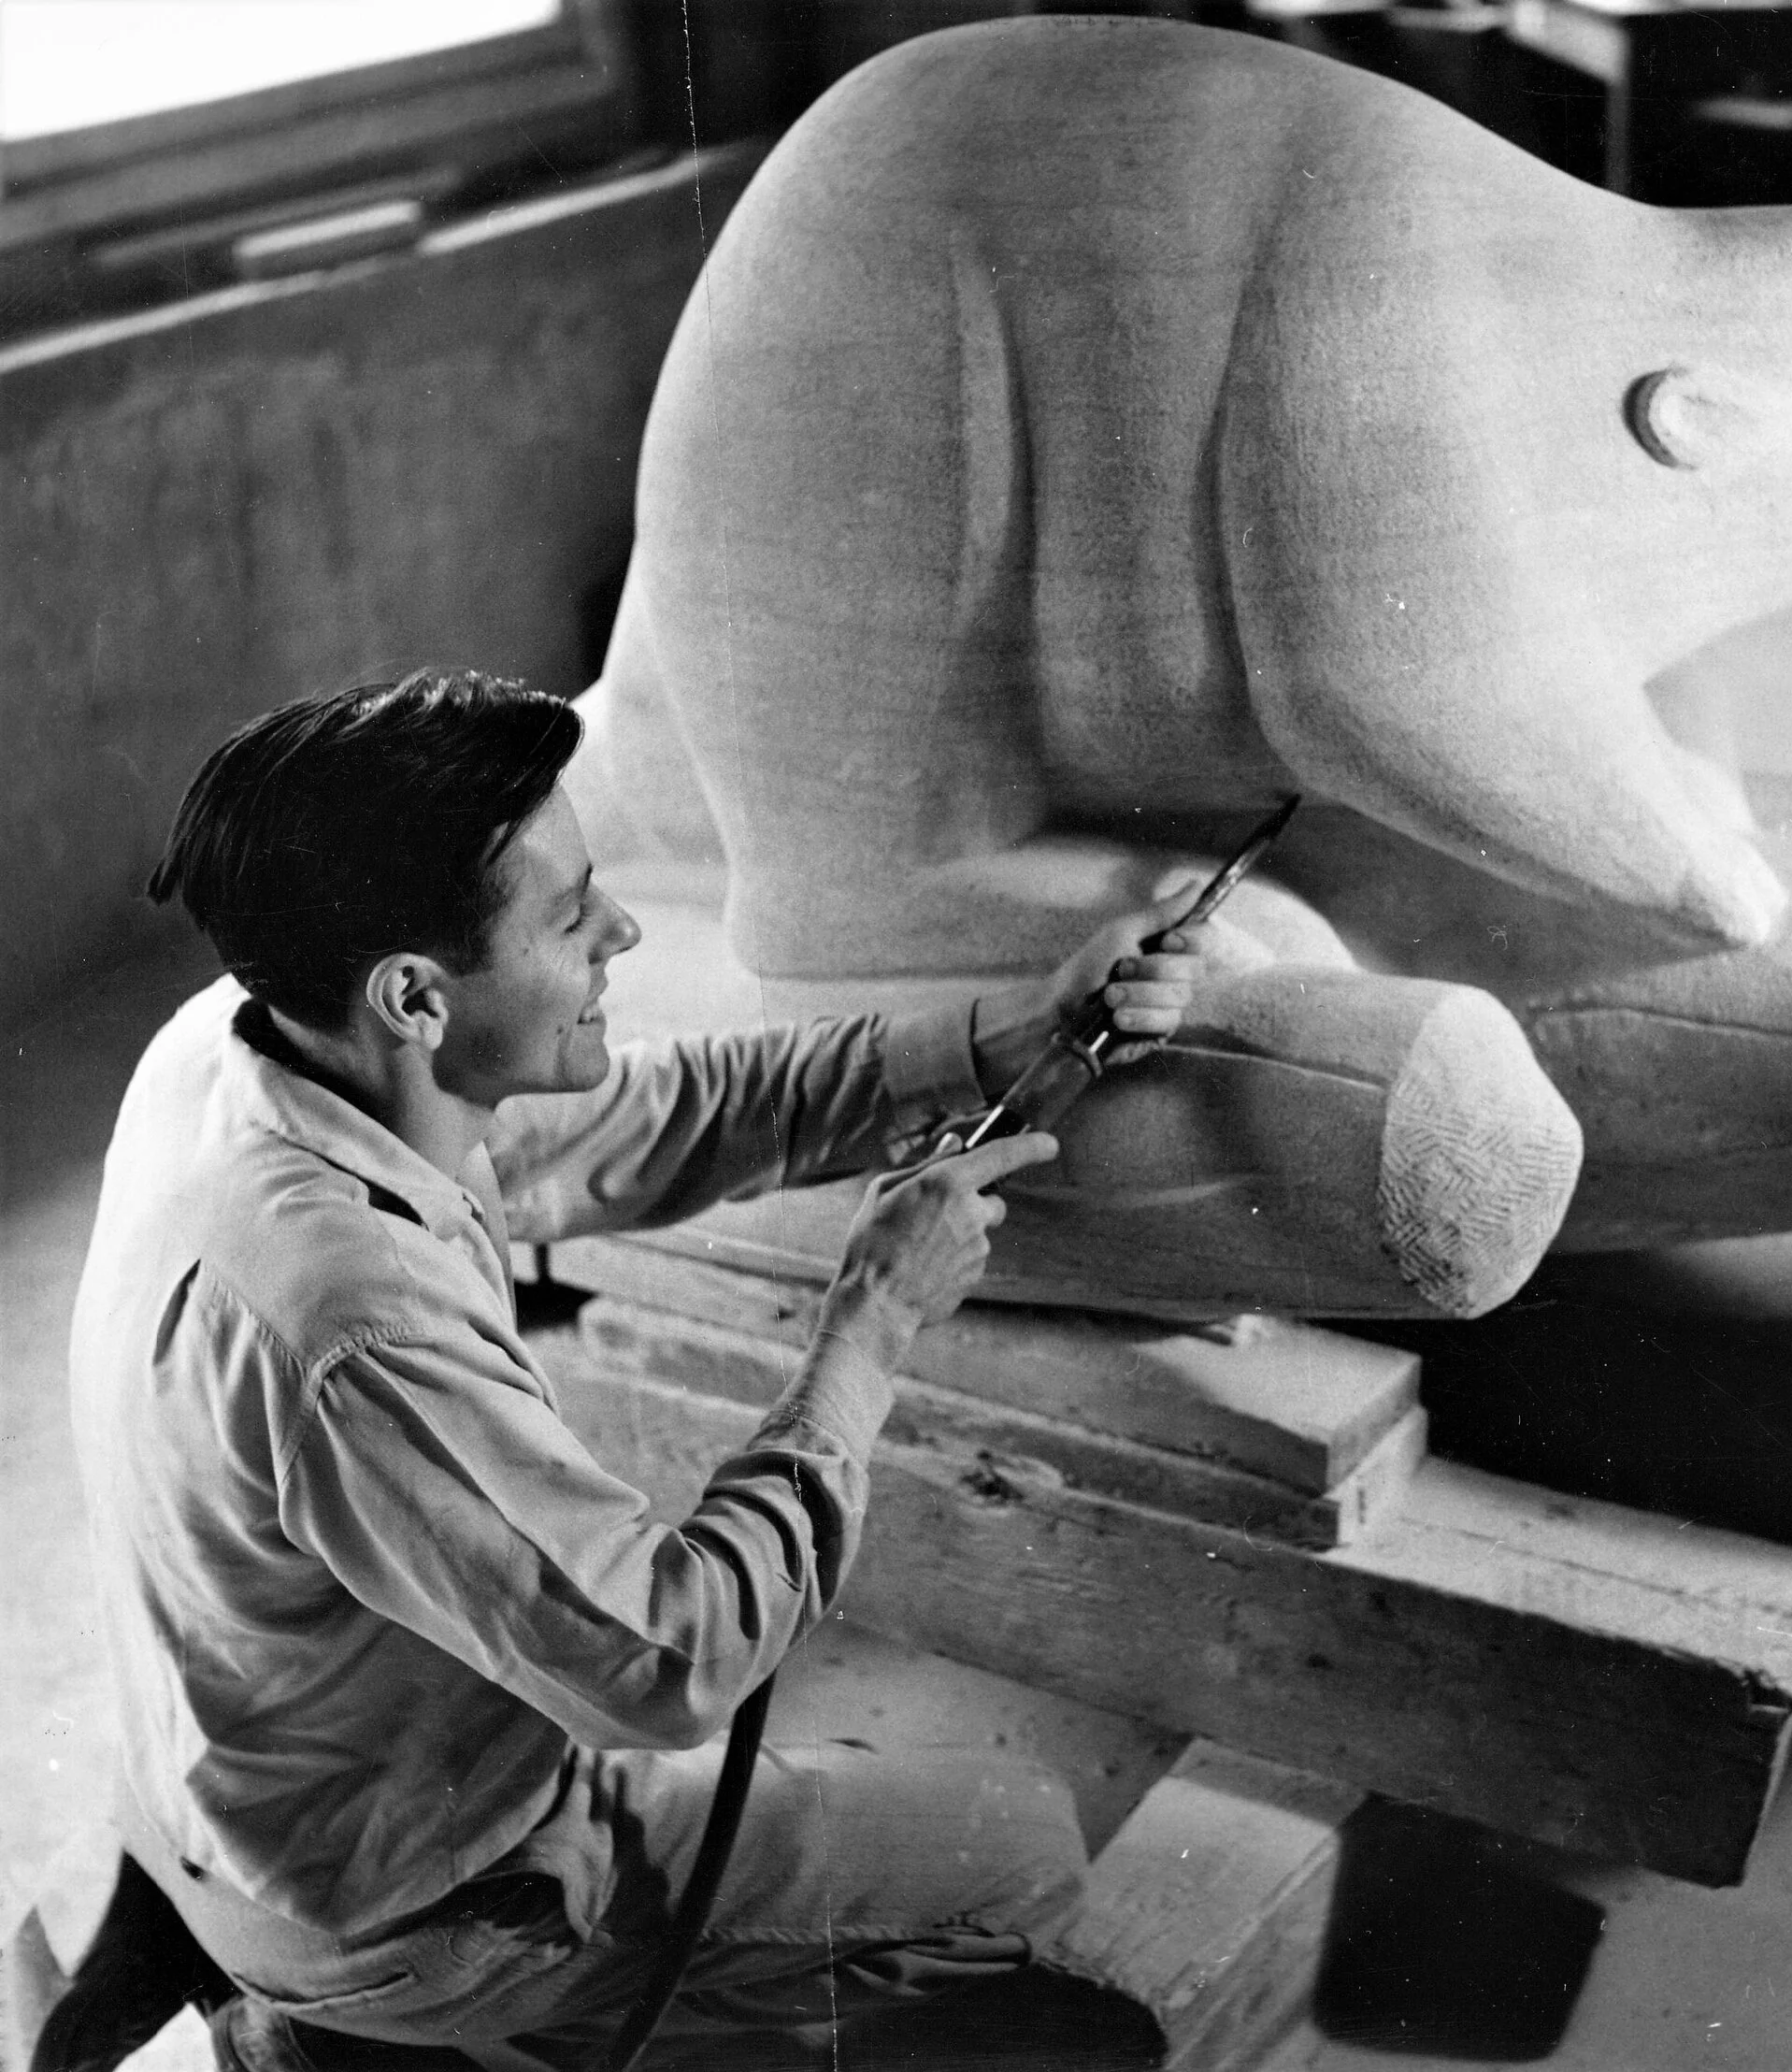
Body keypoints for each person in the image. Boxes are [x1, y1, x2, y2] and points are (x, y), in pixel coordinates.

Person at [67, 669, 1229, 2072]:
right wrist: (867, 1328)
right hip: (411, 1911)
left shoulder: (250, 1045)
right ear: (418, 997)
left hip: (250, 1797)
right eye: (571, 918)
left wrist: (1026, 1029)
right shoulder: (349, 1322)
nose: (621, 929)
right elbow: (669, 1666)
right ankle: (402, 2045)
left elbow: (688, 1110)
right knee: (1019, 1854)